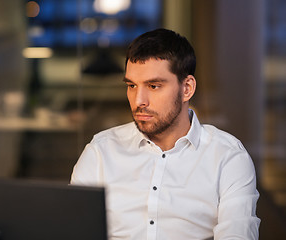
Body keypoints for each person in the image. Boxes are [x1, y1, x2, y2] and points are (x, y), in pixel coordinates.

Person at [70, 28, 260, 240]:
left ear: (187, 88)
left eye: (153, 86)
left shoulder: (228, 157)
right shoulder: (100, 152)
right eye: (132, 85)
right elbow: (73, 230)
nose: (139, 100)